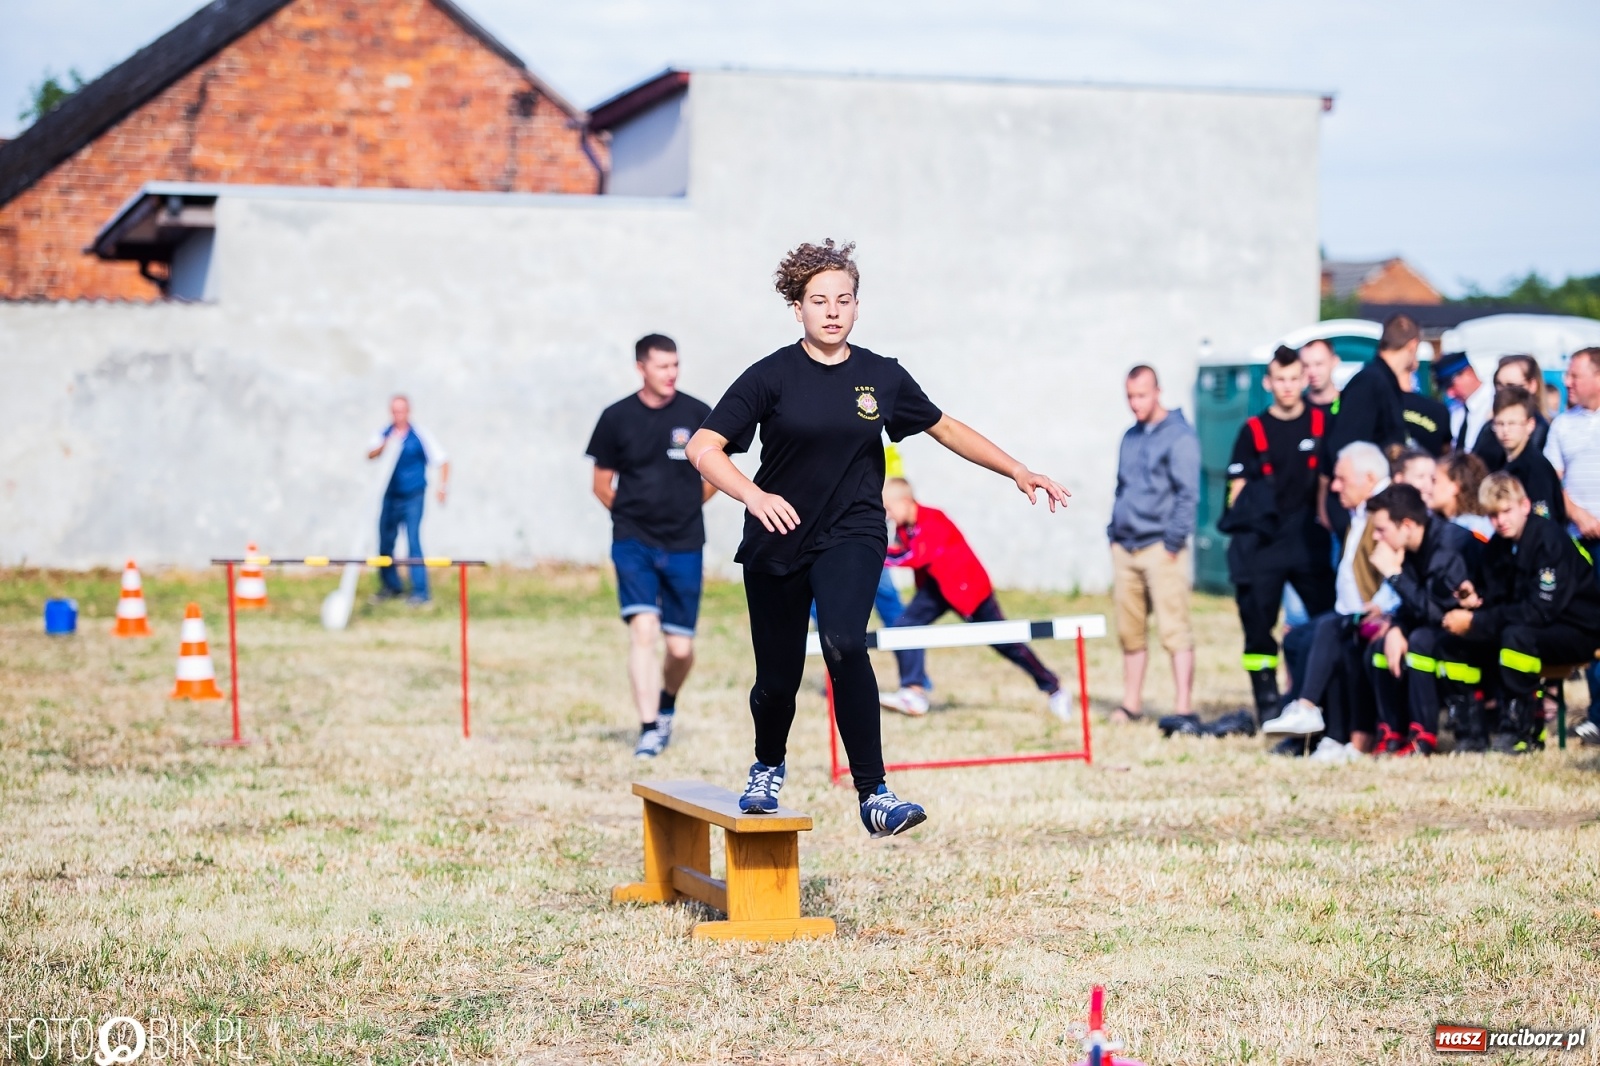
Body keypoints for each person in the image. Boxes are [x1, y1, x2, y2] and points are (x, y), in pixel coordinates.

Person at [684, 239, 1070, 837]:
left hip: (853, 531)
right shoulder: (771, 376)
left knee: (843, 642)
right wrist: (754, 496)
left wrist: (1017, 469)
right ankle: (768, 763)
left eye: (844, 299)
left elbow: (946, 428)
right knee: (777, 677)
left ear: (858, 307)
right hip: (777, 537)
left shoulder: (880, 377)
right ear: (798, 309)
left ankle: (875, 794)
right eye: (818, 301)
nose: (832, 311)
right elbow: (702, 447)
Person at [586, 334, 715, 758]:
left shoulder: (697, 413)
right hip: (633, 541)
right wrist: (630, 518)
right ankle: (647, 729)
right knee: (643, 631)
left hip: (684, 542)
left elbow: (715, 474)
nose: (671, 373)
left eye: (675, 365)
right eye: (662, 366)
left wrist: (681, 509)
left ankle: (666, 707)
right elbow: (601, 484)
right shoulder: (616, 417)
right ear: (641, 367)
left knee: (680, 648)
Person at [878, 478, 1070, 715]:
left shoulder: (933, 519)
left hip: (969, 590)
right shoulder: (905, 527)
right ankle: (913, 692)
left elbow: (914, 556)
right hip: (938, 588)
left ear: (906, 502)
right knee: (905, 627)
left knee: (1007, 643)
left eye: (889, 508)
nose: (887, 515)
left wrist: (876, 558)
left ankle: (1054, 688)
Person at [1439, 473, 1600, 753]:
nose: (1500, 521)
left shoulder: (1549, 540)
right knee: (1453, 642)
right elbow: (1498, 598)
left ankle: (1521, 730)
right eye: (1492, 515)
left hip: (1576, 629)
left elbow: (1540, 610)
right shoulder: (1497, 545)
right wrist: (1475, 600)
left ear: (1525, 505)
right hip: (1529, 626)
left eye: (1506, 511)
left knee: (1516, 638)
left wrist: (1478, 621)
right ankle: (1470, 731)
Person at [1222, 345, 1335, 727]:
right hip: (1265, 544)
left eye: (1294, 379)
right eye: (1279, 380)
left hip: (1310, 541)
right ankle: (1268, 707)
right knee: (1257, 626)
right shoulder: (1252, 431)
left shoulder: (1323, 423)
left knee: (1325, 621)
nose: (1287, 387)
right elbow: (1236, 489)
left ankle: (1320, 701)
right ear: (1268, 383)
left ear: (1305, 380)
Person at [1261, 442, 1390, 761]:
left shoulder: (1389, 510)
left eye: (1341, 479)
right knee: (1298, 640)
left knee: (1330, 634)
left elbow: (1404, 567)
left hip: (1379, 613)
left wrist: (1384, 605)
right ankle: (1311, 731)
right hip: (1348, 612)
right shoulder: (1360, 512)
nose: (1334, 487)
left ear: (1369, 478)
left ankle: (1328, 727)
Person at [1106, 365, 1199, 723]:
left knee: (1174, 628)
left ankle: (1183, 707)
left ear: (1158, 391)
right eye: (1130, 396)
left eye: (1141, 395)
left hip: (1162, 548)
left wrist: (1174, 542)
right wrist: (1114, 532)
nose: (1135, 403)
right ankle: (1131, 703)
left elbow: (1188, 495)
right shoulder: (1130, 437)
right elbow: (1121, 487)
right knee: (1129, 631)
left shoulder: (1180, 437)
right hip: (1124, 547)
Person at [1363, 484, 1478, 755]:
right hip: (1441, 627)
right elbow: (1415, 606)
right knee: (1381, 646)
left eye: (1381, 530)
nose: (1377, 539)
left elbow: (1440, 614)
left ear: (1406, 525)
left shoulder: (1448, 546)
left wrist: (1394, 575)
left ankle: (1423, 735)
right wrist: (1394, 628)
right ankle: (1391, 731)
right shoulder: (1412, 548)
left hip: (1481, 633)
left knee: (1420, 640)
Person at [1543, 346, 1600, 745]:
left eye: (1574, 375)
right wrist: (1580, 515)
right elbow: (1552, 481)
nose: (1567, 382)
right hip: (1579, 545)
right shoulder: (1562, 425)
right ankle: (1595, 716)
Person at [1319, 314, 1416, 534]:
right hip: (1356, 515)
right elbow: (1340, 447)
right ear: (1413, 345)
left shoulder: (1380, 381)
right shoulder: (1370, 383)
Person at [365, 394, 449, 605]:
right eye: (394, 411)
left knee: (413, 541)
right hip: (390, 496)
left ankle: (421, 592)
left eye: (401, 411)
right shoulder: (384, 434)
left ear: (408, 412)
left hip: (413, 496)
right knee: (385, 542)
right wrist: (386, 444)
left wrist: (442, 487)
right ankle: (391, 586)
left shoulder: (420, 435)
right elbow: (370, 454)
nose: (398, 415)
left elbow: (443, 460)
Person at [1493, 386, 1565, 526]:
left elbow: (1544, 520)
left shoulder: (1536, 467)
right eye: (1500, 424)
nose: (1505, 430)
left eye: (1512, 423)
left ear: (1530, 425)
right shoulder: (1501, 461)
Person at [1433, 352, 1501, 469]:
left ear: (1468, 373)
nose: (1450, 393)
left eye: (1452, 385)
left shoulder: (1496, 402)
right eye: (1446, 389)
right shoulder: (1454, 410)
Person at [1493, 354, 1550, 457]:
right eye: (1499, 385)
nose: (1503, 392)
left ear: (1532, 385)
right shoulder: (1489, 427)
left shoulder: (1540, 429)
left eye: (1512, 386)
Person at [1431, 452, 1494, 541]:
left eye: (1434, 481)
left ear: (1455, 487)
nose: (1428, 487)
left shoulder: (1472, 530)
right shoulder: (1443, 526)